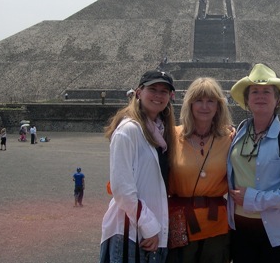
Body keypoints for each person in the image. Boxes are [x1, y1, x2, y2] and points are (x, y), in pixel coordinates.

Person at [228, 64, 280, 263]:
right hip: (242, 230)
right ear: (247, 100)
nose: (260, 96)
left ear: (277, 99)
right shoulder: (238, 134)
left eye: (267, 91)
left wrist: (252, 198)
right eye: (254, 91)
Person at [100, 69, 176, 263]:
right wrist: (149, 226)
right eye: (153, 89)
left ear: (170, 96)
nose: (158, 95)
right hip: (131, 231)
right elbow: (122, 189)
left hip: (150, 232)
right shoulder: (128, 131)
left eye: (164, 91)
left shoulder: (160, 131)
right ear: (139, 92)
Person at [167, 78, 234, 263]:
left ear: (218, 106)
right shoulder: (171, 136)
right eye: (199, 100)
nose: (204, 106)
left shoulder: (230, 138)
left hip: (216, 226)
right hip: (180, 222)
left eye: (211, 101)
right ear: (190, 104)